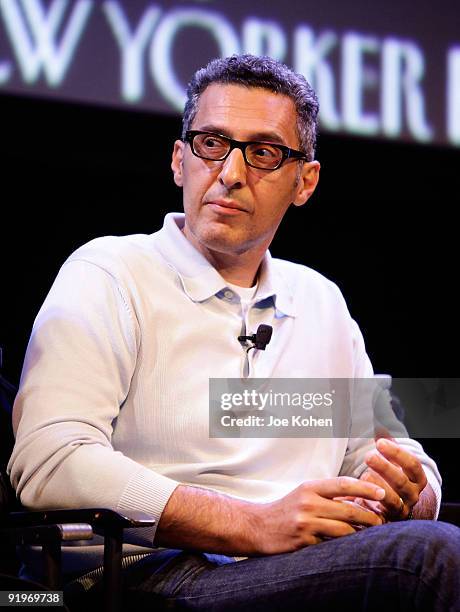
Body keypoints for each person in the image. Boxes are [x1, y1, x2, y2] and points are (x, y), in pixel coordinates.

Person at [8, 55, 460, 610]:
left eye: (263, 153)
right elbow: (52, 463)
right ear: (179, 159)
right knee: (429, 560)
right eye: (211, 144)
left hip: (295, 567)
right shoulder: (110, 272)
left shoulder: (320, 301)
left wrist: (409, 495)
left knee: (428, 542)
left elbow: (387, 452)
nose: (230, 172)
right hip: (143, 575)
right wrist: (253, 524)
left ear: (305, 181)